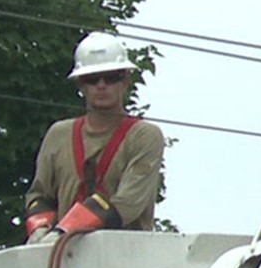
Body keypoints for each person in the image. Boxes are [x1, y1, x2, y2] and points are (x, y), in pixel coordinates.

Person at [24, 32, 165, 242]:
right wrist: (39, 228)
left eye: (110, 77)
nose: (101, 85)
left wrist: (64, 231)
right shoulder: (59, 135)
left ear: (125, 81)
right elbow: (39, 195)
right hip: (64, 260)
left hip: (125, 255)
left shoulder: (143, 136)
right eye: (92, 79)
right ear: (81, 85)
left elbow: (128, 204)